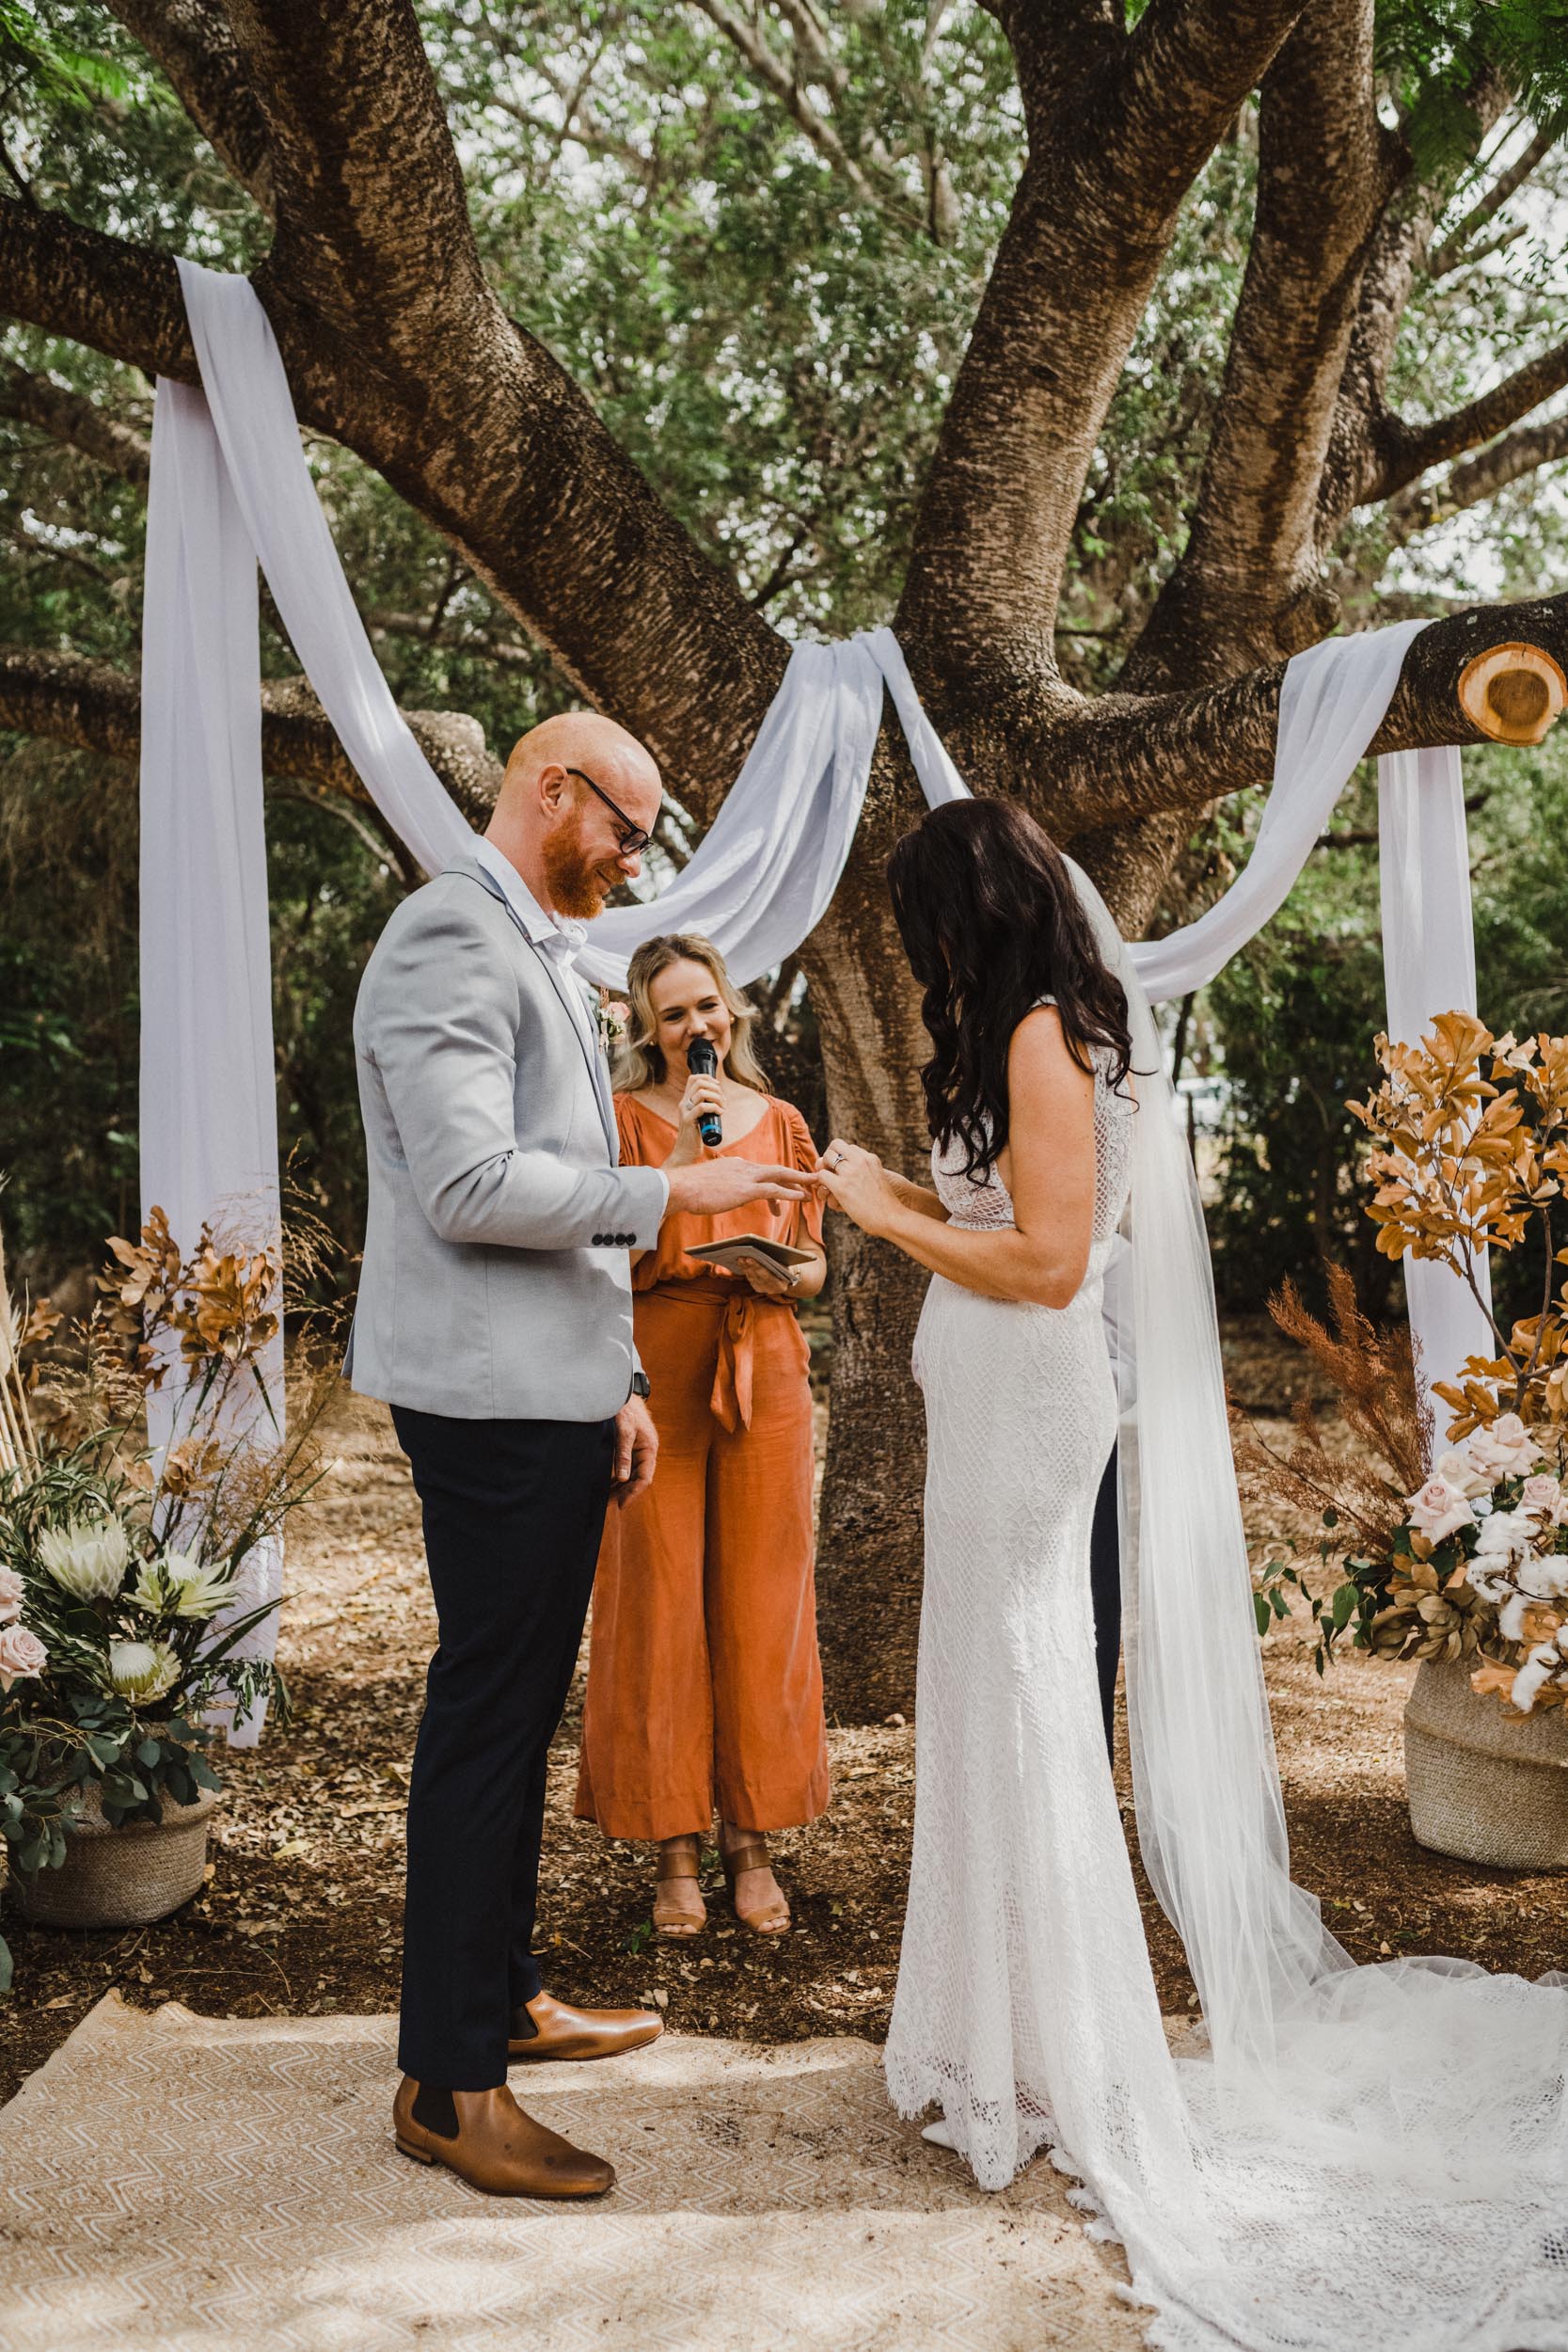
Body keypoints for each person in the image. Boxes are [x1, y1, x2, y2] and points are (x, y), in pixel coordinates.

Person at [816, 794, 1568, 2351]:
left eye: (922, 926)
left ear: (970, 912)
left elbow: (1041, 1261)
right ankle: (994, 2033)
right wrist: (900, 1192)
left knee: (1022, 1700)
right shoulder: (1028, 1029)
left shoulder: (1038, 1036)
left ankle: (1060, 2052)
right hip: (993, 1406)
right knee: (983, 1699)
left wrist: (879, 1208)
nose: (917, 956)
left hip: (1025, 1411)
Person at [348, 714, 809, 2200]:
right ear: (551, 790)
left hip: (548, 1389)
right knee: (488, 1719)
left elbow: (540, 1199)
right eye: (625, 823)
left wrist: (614, 1372)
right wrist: (685, 1192)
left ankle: (506, 1999)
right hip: (482, 1404)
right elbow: (476, 1185)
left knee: (520, 1706)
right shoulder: (447, 939)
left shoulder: (534, 938)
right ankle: (447, 2085)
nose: (633, 855)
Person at [576, 934, 830, 1938]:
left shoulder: (786, 1122)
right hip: (657, 1367)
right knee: (660, 1595)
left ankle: (751, 1842)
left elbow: (812, 1264)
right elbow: (604, 1250)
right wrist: (685, 1147)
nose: (696, 1028)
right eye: (673, 1014)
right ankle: (674, 1848)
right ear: (648, 1028)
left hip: (762, 1362)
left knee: (762, 1598)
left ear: (735, 1010)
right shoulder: (625, 1123)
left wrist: (784, 1275)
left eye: (707, 1007)